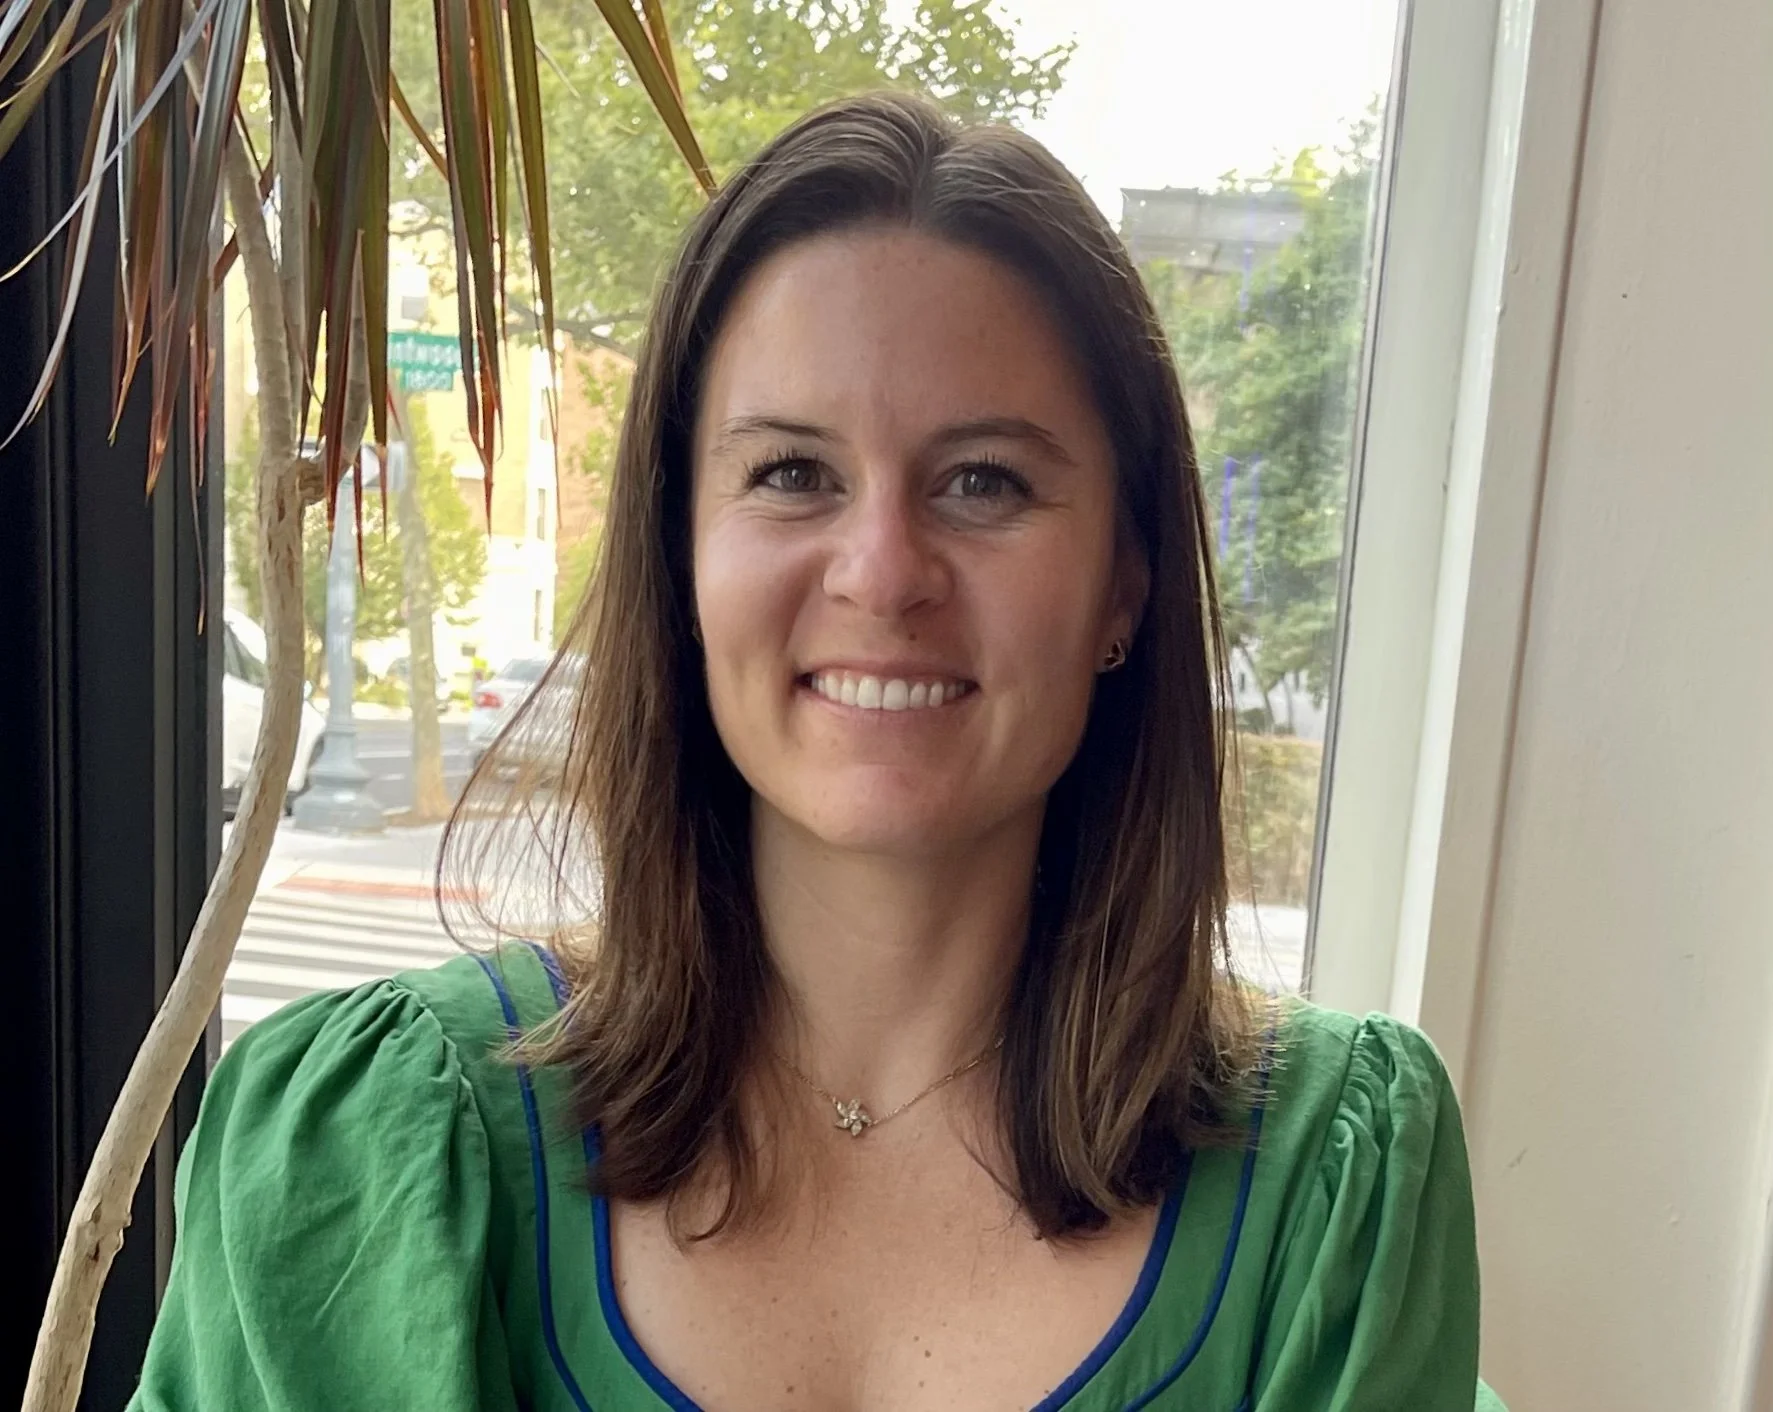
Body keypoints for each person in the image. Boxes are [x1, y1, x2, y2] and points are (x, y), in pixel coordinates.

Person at [131, 92, 1506, 1411]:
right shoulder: (365, 1159)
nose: (884, 570)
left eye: (986, 481)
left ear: (1126, 584)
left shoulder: (1337, 1185)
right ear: (681, 554)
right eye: (793, 471)